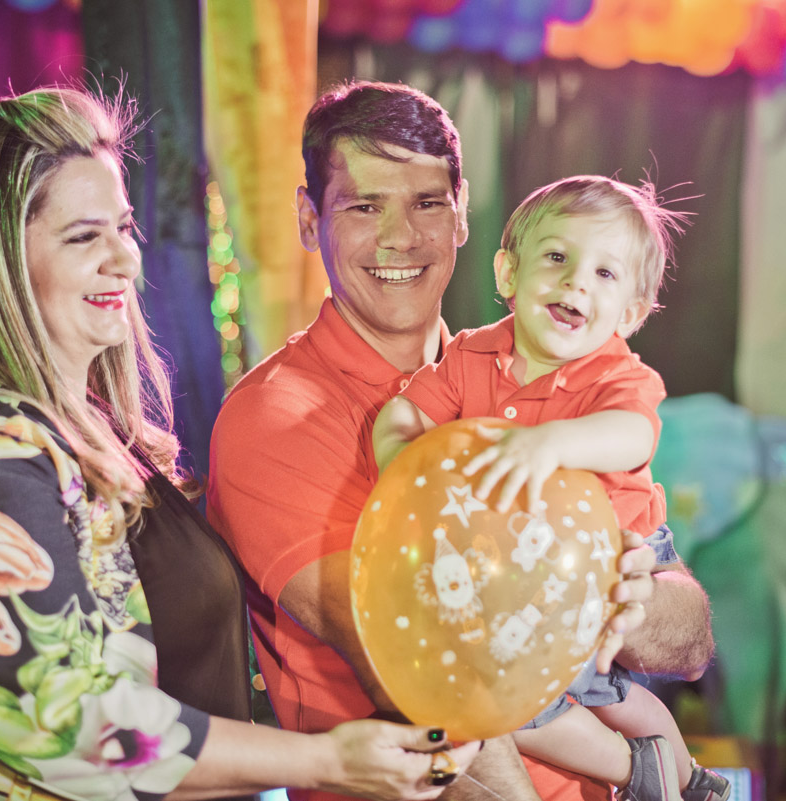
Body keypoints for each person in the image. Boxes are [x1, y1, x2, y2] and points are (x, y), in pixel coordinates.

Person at [0, 86, 481, 801]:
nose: (125, 260)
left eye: (124, 227)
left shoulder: (86, 433)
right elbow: (62, 722)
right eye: (83, 237)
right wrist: (323, 761)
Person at [207, 80, 714, 801]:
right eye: (364, 206)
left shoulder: (510, 377)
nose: (400, 238)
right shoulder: (276, 417)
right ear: (308, 218)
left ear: (462, 213)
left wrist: (633, 594)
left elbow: (687, 642)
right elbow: (428, 673)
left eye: (426, 203)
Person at [371, 175, 729, 801]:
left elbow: (633, 436)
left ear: (631, 313)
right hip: (535, 564)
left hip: (623, 550)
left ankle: (667, 773)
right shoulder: (471, 356)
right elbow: (405, 413)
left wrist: (552, 444)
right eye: (557, 257)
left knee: (522, 700)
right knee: (595, 695)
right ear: (509, 273)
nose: (576, 283)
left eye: (605, 273)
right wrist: (403, 464)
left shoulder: (616, 374)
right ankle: (669, 774)